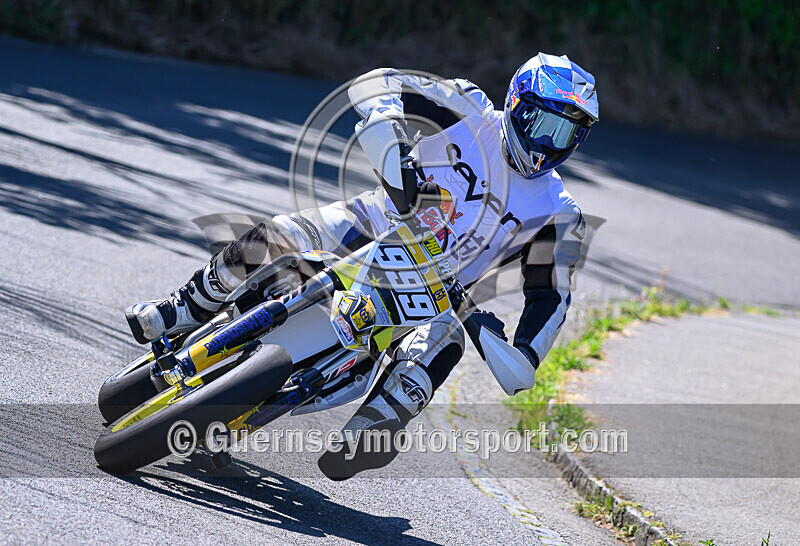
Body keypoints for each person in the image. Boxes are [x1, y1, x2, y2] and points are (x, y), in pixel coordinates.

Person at [125, 53, 598, 480]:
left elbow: (551, 295)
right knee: (277, 234)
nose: (546, 143)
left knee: (443, 346)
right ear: (515, 102)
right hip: (371, 222)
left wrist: (524, 353)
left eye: (564, 133)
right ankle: (182, 308)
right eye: (541, 122)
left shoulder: (560, 213)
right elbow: (377, 83)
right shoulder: (467, 107)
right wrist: (393, 145)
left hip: (435, 293)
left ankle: (371, 431)